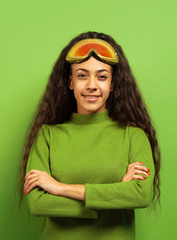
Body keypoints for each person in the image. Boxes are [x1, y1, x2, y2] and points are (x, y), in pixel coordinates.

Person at [16, 31, 162, 240]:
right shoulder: (48, 135)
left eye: (102, 76)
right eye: (82, 75)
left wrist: (59, 188)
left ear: (112, 84)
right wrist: (114, 195)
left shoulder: (134, 136)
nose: (92, 85)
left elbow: (140, 195)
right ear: (70, 82)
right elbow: (38, 203)